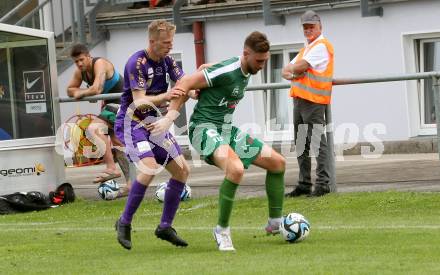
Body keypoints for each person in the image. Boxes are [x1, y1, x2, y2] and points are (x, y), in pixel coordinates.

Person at [149, 31, 286, 251]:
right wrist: (169, 119)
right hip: (204, 129)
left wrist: (204, 70)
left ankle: (276, 222)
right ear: (246, 54)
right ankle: (222, 231)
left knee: (277, 163)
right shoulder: (229, 70)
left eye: (266, 61)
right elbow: (185, 82)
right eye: (259, 61)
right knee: (236, 169)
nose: (262, 65)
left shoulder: (243, 67)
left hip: (227, 130)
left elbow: (207, 68)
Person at [114, 19, 190, 250]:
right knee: (148, 168)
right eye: (165, 42)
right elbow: (139, 102)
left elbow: (184, 83)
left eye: (171, 42)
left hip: (155, 124)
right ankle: (124, 222)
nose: (169, 46)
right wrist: (167, 96)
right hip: (132, 123)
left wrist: (191, 89)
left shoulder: (168, 61)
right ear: (152, 41)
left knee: (182, 171)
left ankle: (165, 226)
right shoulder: (136, 63)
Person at [67, 44, 131, 196]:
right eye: (76, 62)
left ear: (89, 56)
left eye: (82, 60)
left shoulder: (100, 63)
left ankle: (111, 168)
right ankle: (131, 185)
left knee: (94, 128)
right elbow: (70, 90)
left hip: (123, 102)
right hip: (110, 105)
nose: (80, 64)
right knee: (117, 143)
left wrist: (83, 94)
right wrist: (84, 93)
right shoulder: (80, 72)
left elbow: (97, 89)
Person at [281, 10, 334, 197]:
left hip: (314, 101)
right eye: (305, 27)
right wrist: (294, 70)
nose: (308, 30)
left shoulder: (321, 46)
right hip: (300, 101)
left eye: (311, 26)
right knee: (302, 143)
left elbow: (297, 67)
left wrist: (294, 70)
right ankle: (304, 184)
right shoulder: (307, 49)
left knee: (318, 143)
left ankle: (322, 184)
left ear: (320, 27)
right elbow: (284, 70)